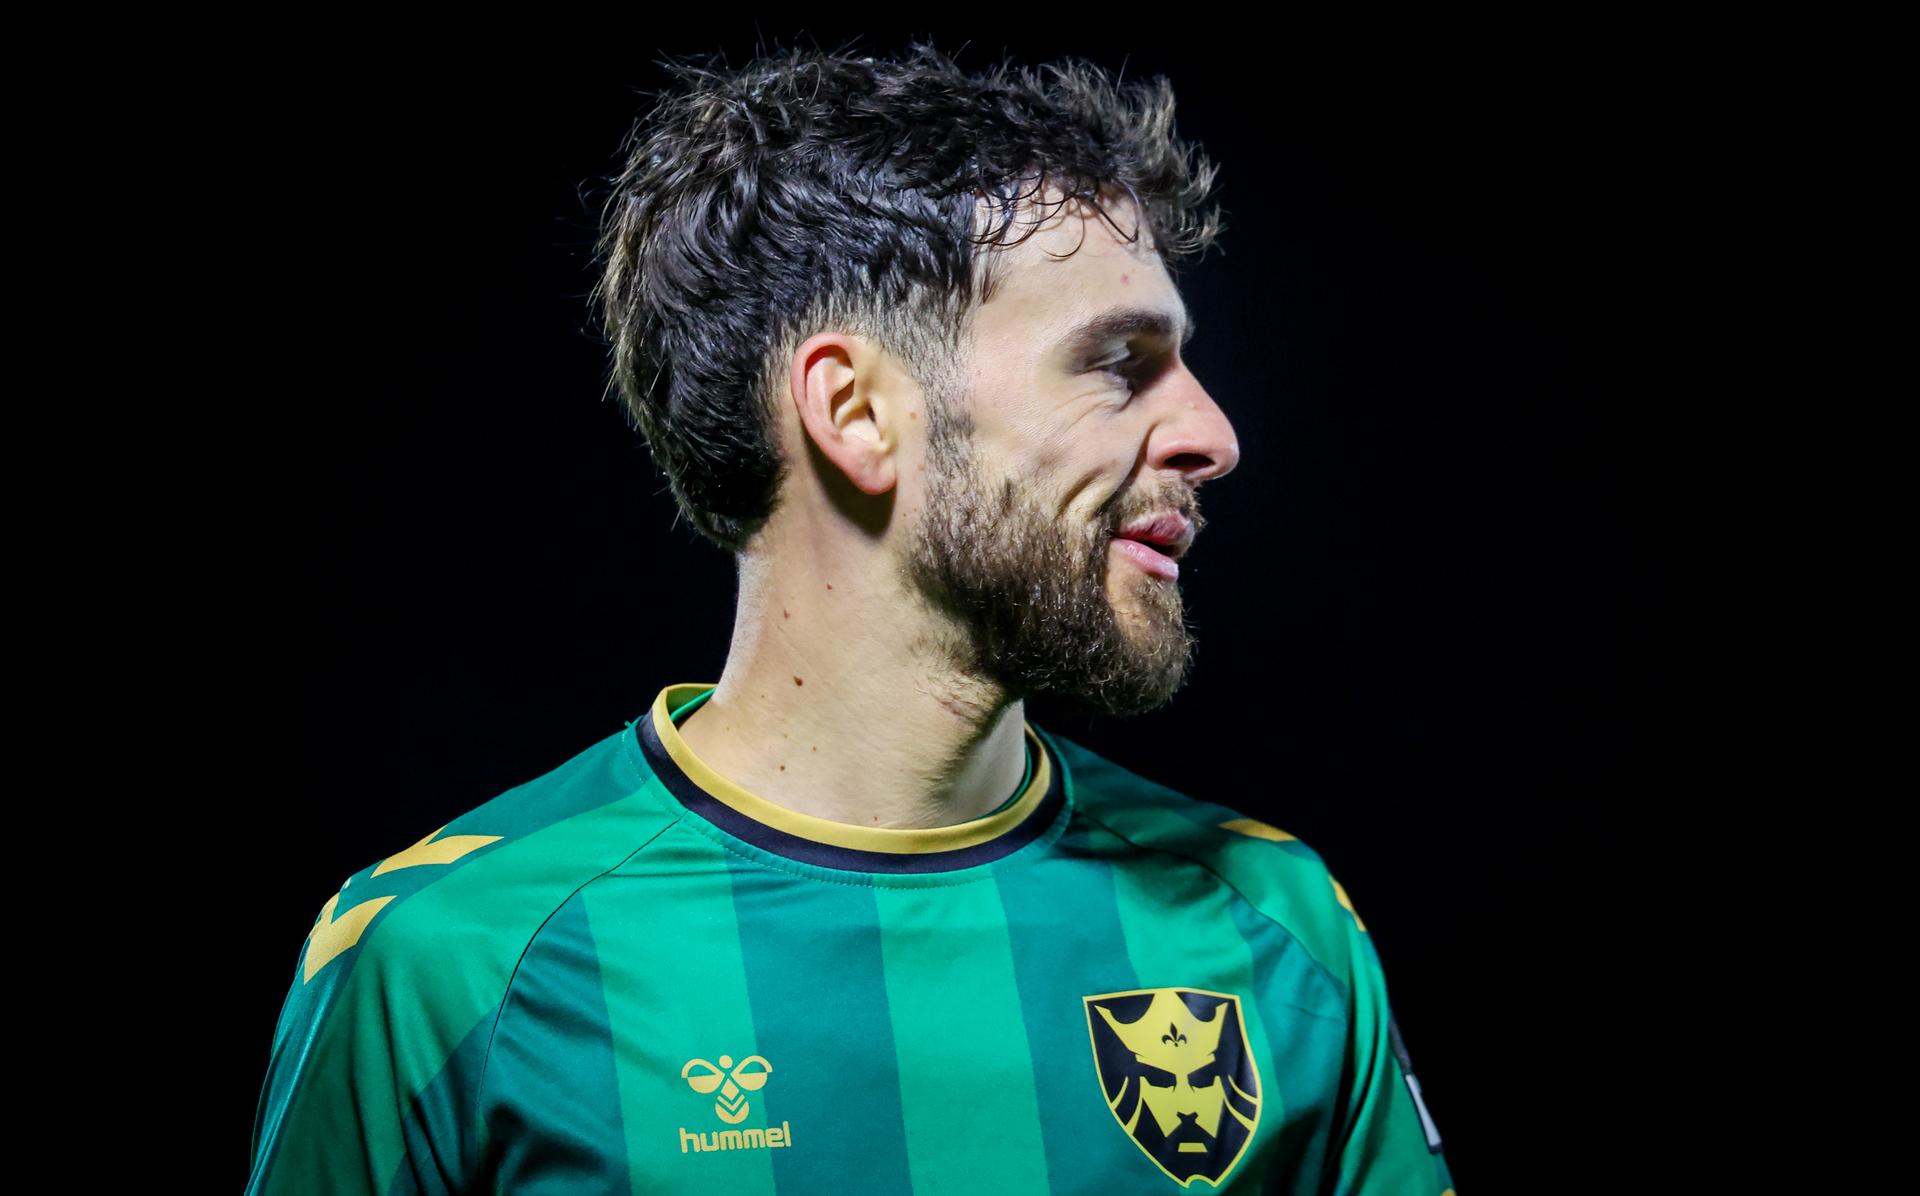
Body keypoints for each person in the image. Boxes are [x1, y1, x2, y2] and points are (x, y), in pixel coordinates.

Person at [246, 41, 1458, 1195]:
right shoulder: (449, 958)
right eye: (1118, 362)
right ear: (857, 413)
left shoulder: (1277, 926)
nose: (1214, 435)